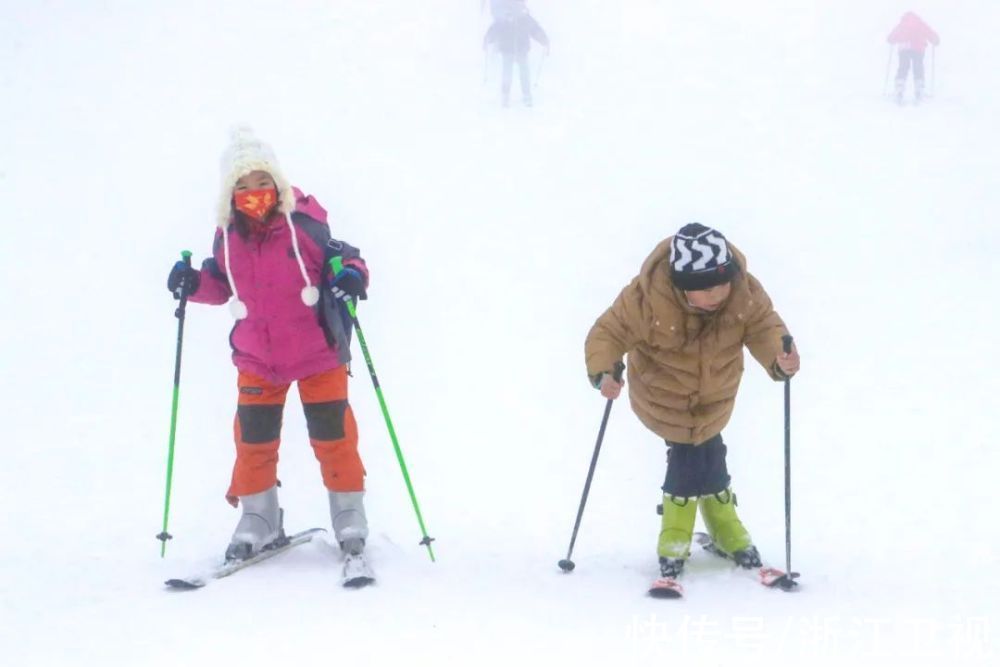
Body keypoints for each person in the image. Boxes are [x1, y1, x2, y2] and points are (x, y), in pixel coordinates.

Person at [166, 127, 374, 585]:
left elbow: (348, 260)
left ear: (276, 182)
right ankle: (259, 519)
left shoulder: (306, 226)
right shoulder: (227, 237)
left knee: (334, 438)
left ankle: (350, 521)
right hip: (259, 358)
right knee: (253, 442)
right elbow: (221, 284)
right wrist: (192, 283)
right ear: (230, 192)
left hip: (319, 352)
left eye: (261, 181)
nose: (253, 192)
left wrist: (354, 277)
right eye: (241, 185)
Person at [584, 223, 800, 588]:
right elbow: (608, 332)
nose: (717, 293)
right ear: (682, 286)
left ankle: (721, 529)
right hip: (662, 397)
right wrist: (605, 372)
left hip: (715, 399)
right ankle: (677, 540)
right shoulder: (645, 299)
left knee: (711, 455)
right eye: (704, 288)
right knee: (688, 462)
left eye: (722, 283)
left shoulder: (743, 295)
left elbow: (765, 326)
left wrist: (780, 359)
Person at [483, 0, 550, 107]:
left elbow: (534, 29)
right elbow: (495, 29)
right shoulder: (505, 18)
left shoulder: (524, 18)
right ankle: (506, 95)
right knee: (508, 74)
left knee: (523, 73)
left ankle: (526, 95)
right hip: (508, 49)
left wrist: (543, 39)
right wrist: (488, 39)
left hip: (521, 48)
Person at [887, 11, 940, 103]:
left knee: (903, 67)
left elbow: (892, 36)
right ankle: (919, 88)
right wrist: (935, 40)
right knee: (918, 67)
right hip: (918, 47)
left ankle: (900, 86)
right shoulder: (920, 23)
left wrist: (891, 40)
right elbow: (929, 32)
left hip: (904, 47)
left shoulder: (902, 24)